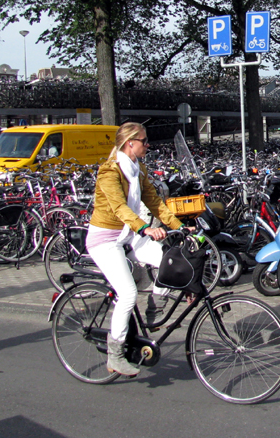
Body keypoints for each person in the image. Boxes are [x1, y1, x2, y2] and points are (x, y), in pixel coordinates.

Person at [86, 122, 185, 376]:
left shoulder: (137, 168)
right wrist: (145, 229)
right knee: (128, 294)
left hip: (127, 236)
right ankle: (115, 354)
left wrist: (181, 226)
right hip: (106, 239)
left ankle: (155, 310)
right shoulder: (109, 171)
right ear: (130, 142)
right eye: (144, 140)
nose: (148, 145)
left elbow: (154, 201)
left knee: (167, 260)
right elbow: (119, 207)